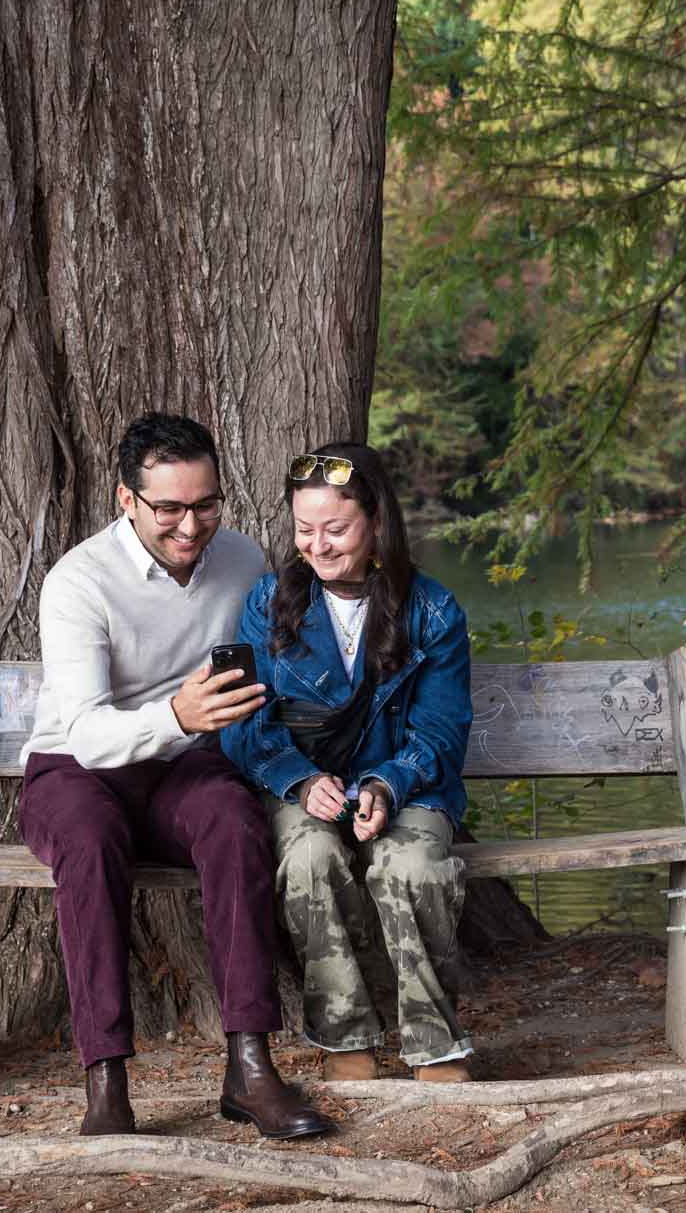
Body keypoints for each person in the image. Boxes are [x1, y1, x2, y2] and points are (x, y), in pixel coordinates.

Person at [19, 413, 334, 1140]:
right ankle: (106, 1083)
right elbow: (89, 731)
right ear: (126, 500)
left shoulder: (242, 559)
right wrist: (179, 714)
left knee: (234, 819)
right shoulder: (78, 582)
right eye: (169, 508)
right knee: (91, 840)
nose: (191, 526)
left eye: (206, 503)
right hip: (75, 768)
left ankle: (250, 1068)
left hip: (182, 769)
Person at [221, 441, 476, 1083]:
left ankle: (434, 1044)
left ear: (376, 523)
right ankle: (346, 1038)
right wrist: (299, 781)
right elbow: (247, 726)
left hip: (408, 784)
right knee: (309, 859)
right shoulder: (268, 604)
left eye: (336, 529)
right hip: (303, 790)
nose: (318, 545)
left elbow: (441, 730)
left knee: (413, 865)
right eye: (305, 529)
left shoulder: (432, 609)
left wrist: (388, 784)